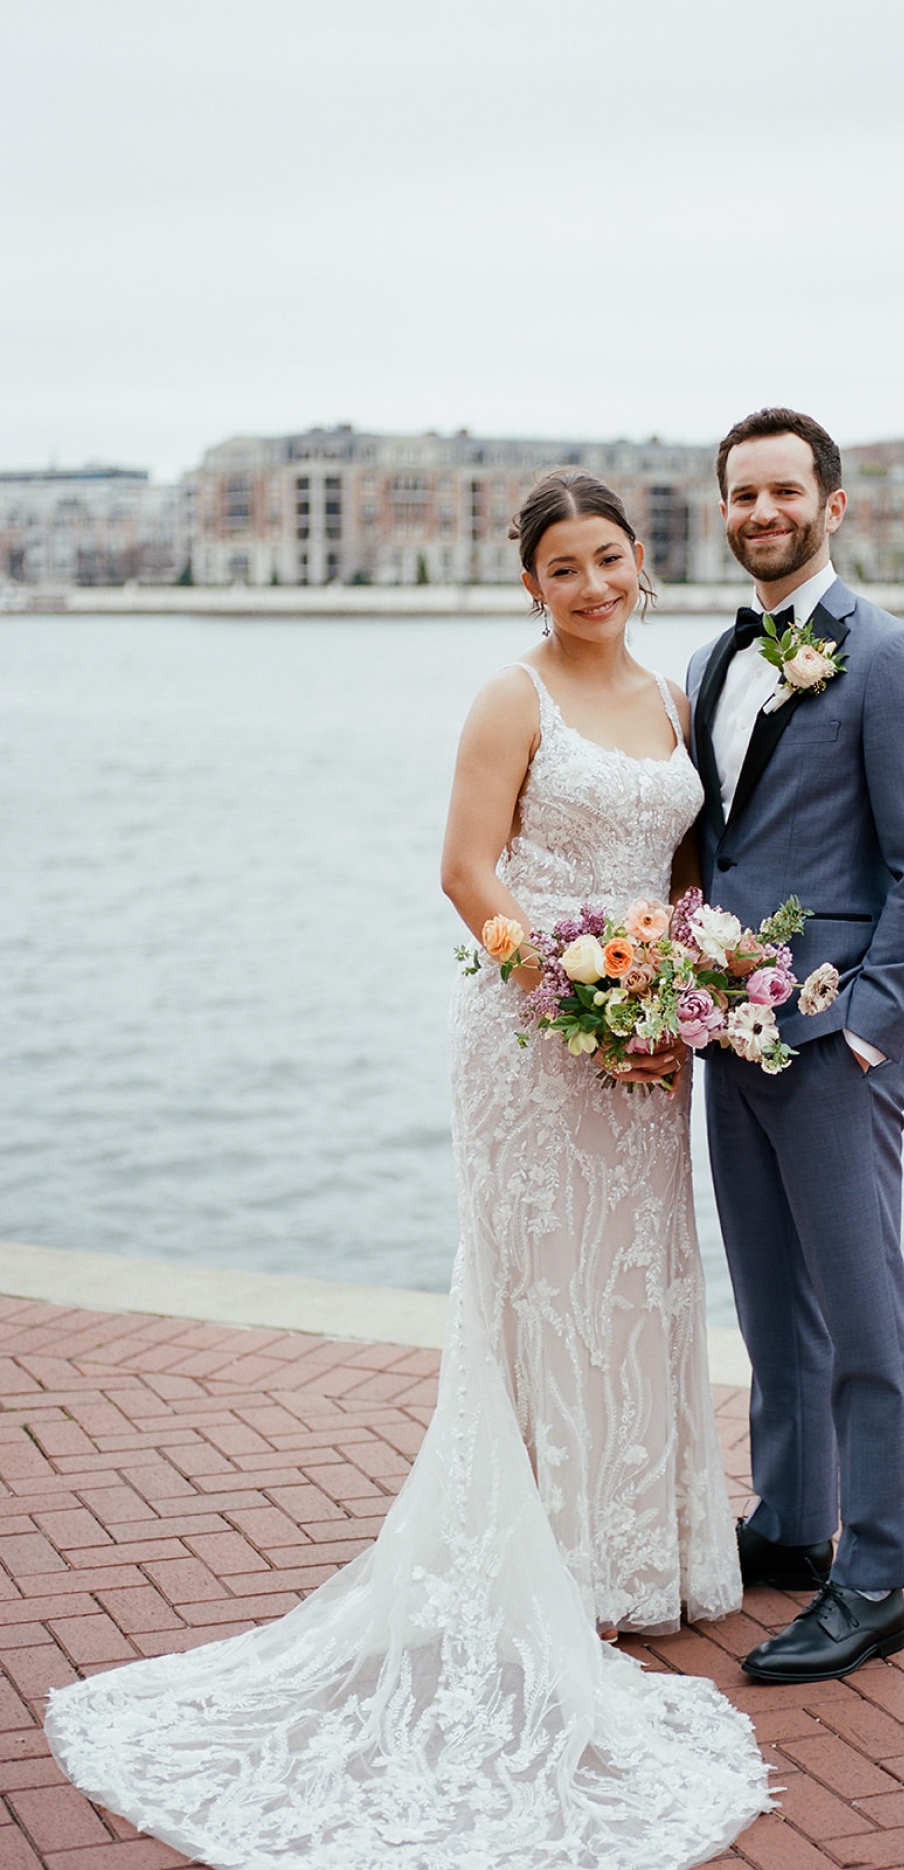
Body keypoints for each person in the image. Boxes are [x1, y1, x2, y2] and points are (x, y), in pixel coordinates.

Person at [44, 470, 769, 1870]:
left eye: (611, 558)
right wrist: (576, 999)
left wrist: (675, 999)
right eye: (565, 567)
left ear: (644, 563)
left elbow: (682, 868)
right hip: (532, 1026)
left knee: (641, 1277)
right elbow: (465, 871)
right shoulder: (514, 696)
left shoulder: (678, 700)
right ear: (530, 584)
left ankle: (651, 1553)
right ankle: (556, 1569)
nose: (594, 585)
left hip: (643, 1039)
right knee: (541, 1284)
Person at [687, 408, 904, 1686]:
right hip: (728, 1037)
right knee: (769, 1308)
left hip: (834, 1044)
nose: (762, 512)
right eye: (742, 493)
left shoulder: (893, 660)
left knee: (862, 1320)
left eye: (784, 490)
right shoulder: (709, 663)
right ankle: (795, 1525)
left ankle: (875, 1576)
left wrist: (867, 1027)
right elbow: (724, 852)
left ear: (832, 504)